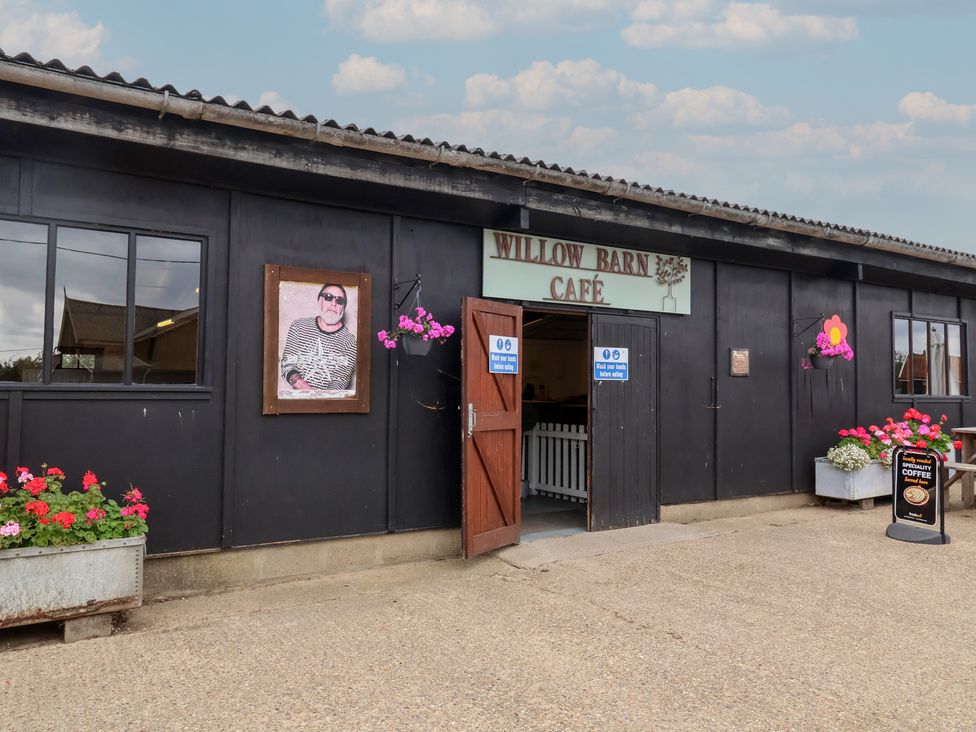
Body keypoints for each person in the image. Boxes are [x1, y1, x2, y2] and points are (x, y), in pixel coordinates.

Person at [280, 283, 357, 392]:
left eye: (339, 300)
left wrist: (318, 402)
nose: (333, 303)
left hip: (328, 406)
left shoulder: (350, 341)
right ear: (319, 301)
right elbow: (287, 364)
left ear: (343, 308)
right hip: (296, 401)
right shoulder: (299, 326)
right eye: (328, 297)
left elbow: (339, 382)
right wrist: (310, 393)